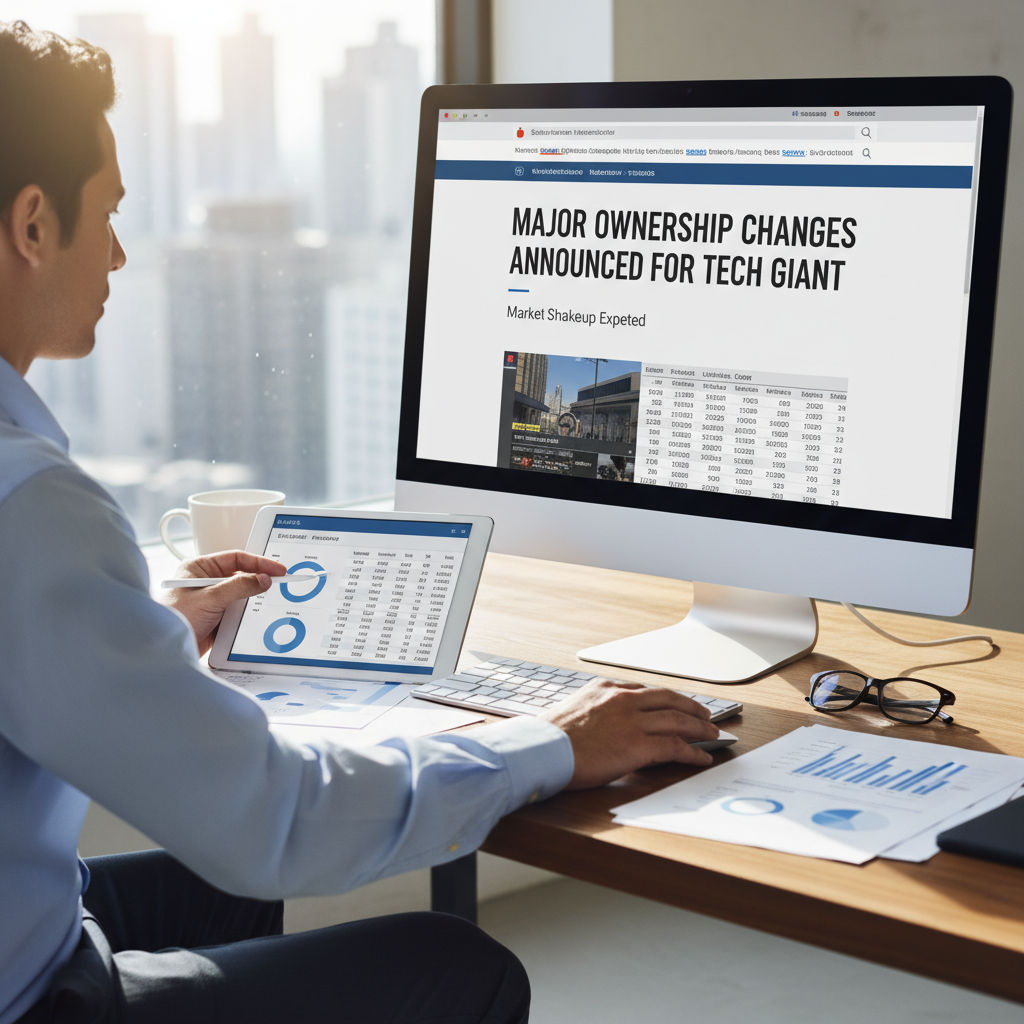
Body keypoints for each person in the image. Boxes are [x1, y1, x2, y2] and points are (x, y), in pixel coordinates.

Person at [0, 20, 720, 1024]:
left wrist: (139, 633)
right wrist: (549, 743)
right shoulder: (30, 503)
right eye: (108, 215)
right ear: (33, 224)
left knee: (227, 886)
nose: (119, 252)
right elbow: (275, 815)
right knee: (458, 967)